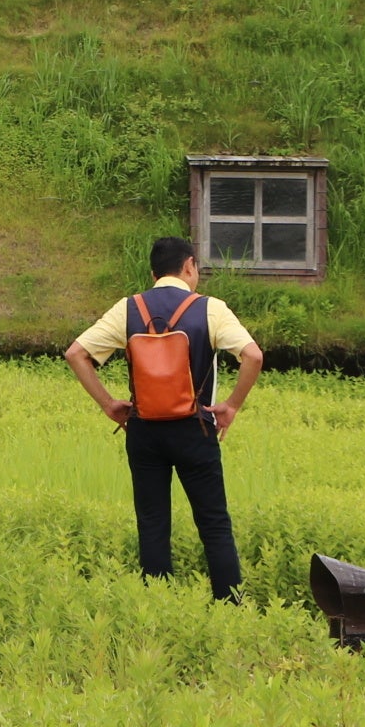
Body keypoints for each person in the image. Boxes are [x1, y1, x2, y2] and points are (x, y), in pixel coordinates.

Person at [63, 236, 267, 601]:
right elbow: (253, 356)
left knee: (153, 523)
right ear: (189, 266)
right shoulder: (211, 308)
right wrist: (232, 406)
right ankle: (231, 606)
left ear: (154, 272)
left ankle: (157, 605)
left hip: (144, 431)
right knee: (214, 524)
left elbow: (76, 353)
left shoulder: (128, 309)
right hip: (196, 427)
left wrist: (109, 404)